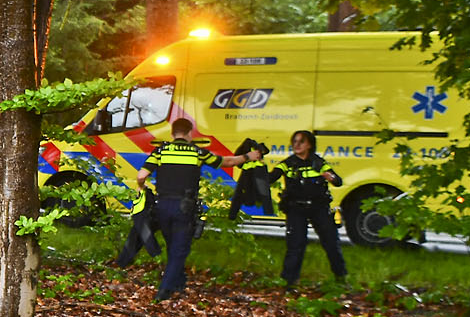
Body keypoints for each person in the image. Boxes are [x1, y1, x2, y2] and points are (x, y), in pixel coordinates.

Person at [136, 119, 260, 302]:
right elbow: (226, 162)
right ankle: (164, 291)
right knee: (179, 249)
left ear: (172, 133)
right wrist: (248, 157)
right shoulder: (197, 152)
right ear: (189, 133)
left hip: (162, 205)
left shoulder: (160, 151)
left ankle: (178, 283)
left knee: (173, 245)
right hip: (184, 206)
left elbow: (141, 175)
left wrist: (142, 188)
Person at [277, 129, 347, 287]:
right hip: (296, 208)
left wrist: (331, 177)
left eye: (301, 142)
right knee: (296, 245)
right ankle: (289, 282)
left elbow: (338, 181)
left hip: (319, 207)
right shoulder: (288, 164)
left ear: (309, 145)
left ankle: (341, 278)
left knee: (331, 242)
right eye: (294, 141)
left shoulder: (318, 163)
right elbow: (271, 176)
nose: (296, 145)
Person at [114, 181, 161, 268]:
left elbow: (141, 177)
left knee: (141, 231)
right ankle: (122, 262)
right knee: (136, 234)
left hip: (149, 209)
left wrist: (142, 185)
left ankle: (157, 255)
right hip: (157, 205)